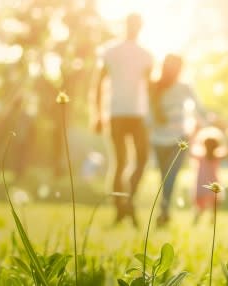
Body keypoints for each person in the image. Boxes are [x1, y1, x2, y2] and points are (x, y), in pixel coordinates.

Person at [92, 13, 154, 227]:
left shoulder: (146, 54)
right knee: (120, 162)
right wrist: (97, 113)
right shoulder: (110, 51)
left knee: (143, 158)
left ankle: (128, 202)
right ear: (126, 25)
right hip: (116, 112)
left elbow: (150, 87)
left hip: (138, 114)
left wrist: (154, 114)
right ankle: (120, 208)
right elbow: (99, 83)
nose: (134, 27)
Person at [150, 54, 208, 227]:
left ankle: (164, 210)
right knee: (167, 177)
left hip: (172, 140)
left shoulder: (180, 87)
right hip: (165, 139)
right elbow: (200, 109)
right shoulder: (157, 86)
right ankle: (164, 210)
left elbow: (200, 109)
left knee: (168, 176)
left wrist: (208, 122)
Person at [190, 127, 228, 224]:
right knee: (214, 204)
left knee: (200, 206)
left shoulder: (200, 156)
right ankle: (211, 220)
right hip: (213, 184)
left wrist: (192, 135)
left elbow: (190, 150)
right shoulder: (216, 156)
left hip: (201, 185)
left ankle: (197, 220)